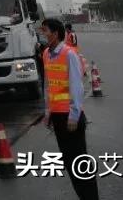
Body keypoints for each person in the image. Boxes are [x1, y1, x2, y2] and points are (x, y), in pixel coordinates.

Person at [41, 18, 98, 200]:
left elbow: (76, 85)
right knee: (69, 162)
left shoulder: (69, 54)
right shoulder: (46, 54)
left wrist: (74, 114)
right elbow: (48, 85)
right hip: (57, 116)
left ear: (55, 33)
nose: (43, 33)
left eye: (45, 30)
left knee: (79, 162)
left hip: (70, 117)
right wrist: (48, 111)